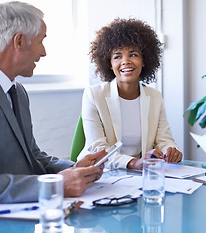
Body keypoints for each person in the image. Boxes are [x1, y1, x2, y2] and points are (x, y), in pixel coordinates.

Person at [0, 1, 107, 203]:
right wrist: (53, 185)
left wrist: (73, 168)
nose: (44, 52)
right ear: (19, 41)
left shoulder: (18, 92)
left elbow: (32, 153)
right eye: (41, 40)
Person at [77, 18, 182, 170]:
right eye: (117, 56)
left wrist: (171, 151)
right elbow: (98, 149)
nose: (125, 61)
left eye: (133, 54)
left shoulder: (155, 96)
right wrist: (133, 163)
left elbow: (164, 140)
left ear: (144, 60)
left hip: (139, 174)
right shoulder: (93, 95)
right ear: (110, 64)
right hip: (99, 172)